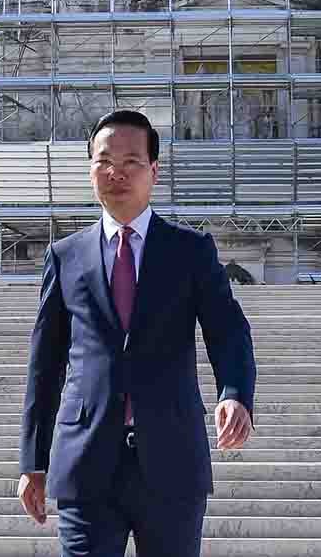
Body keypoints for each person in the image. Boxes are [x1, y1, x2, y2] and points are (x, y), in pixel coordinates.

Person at [18, 109, 256, 557]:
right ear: (90, 170)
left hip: (171, 461)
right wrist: (33, 462)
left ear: (154, 171)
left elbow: (228, 330)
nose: (116, 173)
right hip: (86, 463)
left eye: (130, 162)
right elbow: (44, 365)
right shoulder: (66, 256)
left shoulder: (190, 251)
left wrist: (235, 392)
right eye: (103, 161)